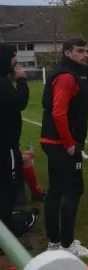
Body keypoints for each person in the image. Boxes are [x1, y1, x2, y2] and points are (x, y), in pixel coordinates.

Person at [40, 38, 88, 258]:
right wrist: (70, 143)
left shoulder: (67, 72)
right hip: (62, 143)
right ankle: (66, 244)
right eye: (80, 51)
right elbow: (58, 112)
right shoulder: (65, 76)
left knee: (55, 190)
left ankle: (54, 242)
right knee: (73, 189)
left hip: (52, 141)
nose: (85, 54)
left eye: (86, 50)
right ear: (67, 53)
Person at [0, 43, 29, 241]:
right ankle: (6, 238)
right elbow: (19, 103)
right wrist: (22, 81)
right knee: (8, 189)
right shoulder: (1, 82)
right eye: (13, 56)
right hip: (5, 145)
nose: (16, 60)